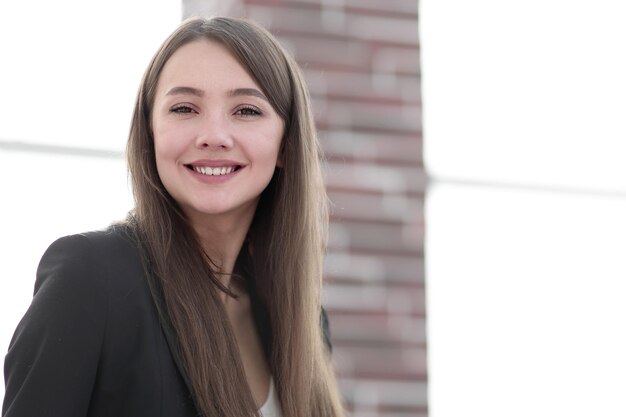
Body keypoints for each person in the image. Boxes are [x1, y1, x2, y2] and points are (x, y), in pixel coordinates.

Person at [2, 16, 345, 417]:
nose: (213, 135)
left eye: (247, 110)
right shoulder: (91, 280)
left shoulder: (302, 318)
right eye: (184, 108)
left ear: (286, 144)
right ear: (149, 133)